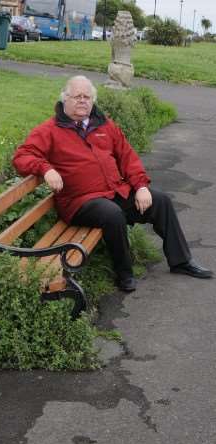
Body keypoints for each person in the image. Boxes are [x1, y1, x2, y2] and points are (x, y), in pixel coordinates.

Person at [12, 75, 213, 292]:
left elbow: (128, 157)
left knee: (161, 201)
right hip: (80, 202)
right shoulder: (49, 130)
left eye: (87, 97)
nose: (82, 101)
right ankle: (124, 274)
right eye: (77, 96)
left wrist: (141, 186)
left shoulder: (104, 125)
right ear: (64, 99)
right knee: (112, 214)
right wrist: (46, 169)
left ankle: (181, 261)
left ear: (93, 100)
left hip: (114, 191)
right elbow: (22, 156)